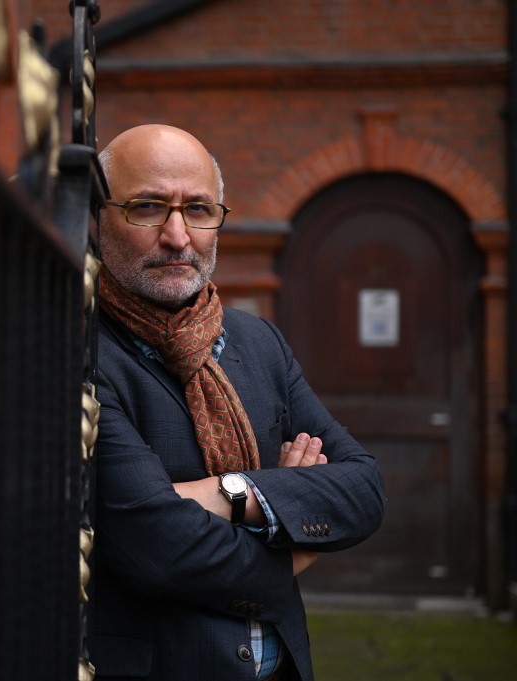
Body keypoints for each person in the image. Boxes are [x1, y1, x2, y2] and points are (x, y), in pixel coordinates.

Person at [89, 124, 385, 681]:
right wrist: (294, 538)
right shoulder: (81, 353)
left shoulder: (257, 342)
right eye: (148, 207)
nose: (179, 236)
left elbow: (363, 488)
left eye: (199, 209)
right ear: (97, 217)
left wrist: (232, 492)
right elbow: (156, 546)